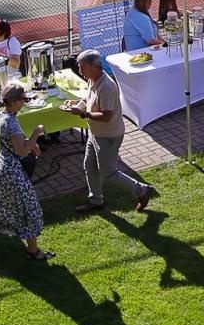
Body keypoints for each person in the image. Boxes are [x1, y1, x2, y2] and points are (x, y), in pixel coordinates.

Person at [67, 49, 157, 214]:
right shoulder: (92, 79)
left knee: (108, 173)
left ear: (95, 66)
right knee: (90, 166)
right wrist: (76, 106)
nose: (80, 71)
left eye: (82, 67)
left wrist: (83, 114)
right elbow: (87, 99)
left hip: (108, 136)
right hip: (96, 134)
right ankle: (95, 200)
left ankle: (142, 190)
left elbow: (106, 116)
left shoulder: (106, 87)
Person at [0, 84, 53, 261]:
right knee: (31, 209)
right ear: (15, 101)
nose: (24, 103)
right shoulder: (10, 122)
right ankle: (33, 251)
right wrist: (36, 133)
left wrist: (32, 144)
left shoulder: (2, 115)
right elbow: (22, 151)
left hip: (3, 170)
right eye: (23, 100)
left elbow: (15, 142)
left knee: (0, 209)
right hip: (13, 174)